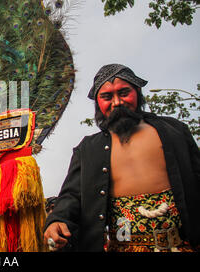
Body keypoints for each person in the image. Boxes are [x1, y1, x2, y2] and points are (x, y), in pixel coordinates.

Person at [44, 64, 200, 252]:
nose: (117, 102)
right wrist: (57, 220)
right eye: (107, 97)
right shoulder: (87, 149)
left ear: (138, 92)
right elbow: (72, 195)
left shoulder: (174, 131)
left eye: (124, 92)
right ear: (98, 103)